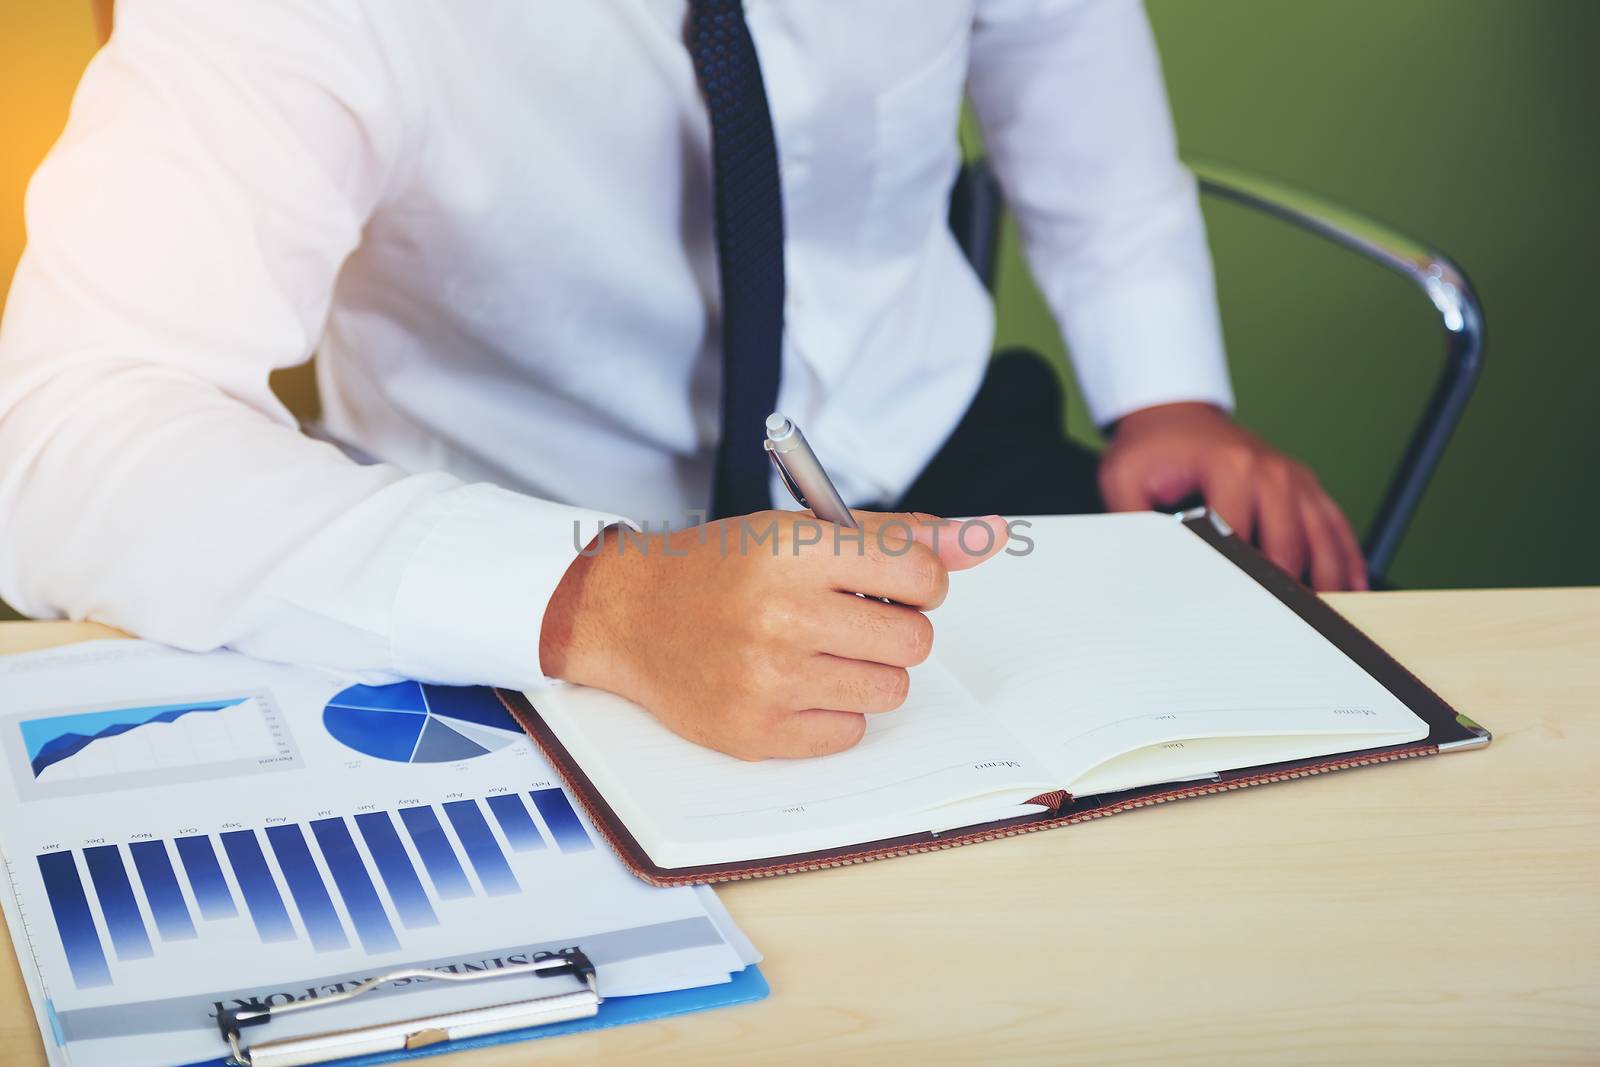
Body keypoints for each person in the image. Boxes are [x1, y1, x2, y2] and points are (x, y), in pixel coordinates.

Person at [0, 0, 1366, 761]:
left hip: (927, 435)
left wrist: (1164, 384)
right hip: (505, 544)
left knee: (1302, 759)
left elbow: (1052, 28)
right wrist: (602, 597)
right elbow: (61, 434)